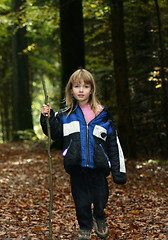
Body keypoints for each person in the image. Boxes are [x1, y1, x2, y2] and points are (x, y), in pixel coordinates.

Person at [40, 68, 126, 240]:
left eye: (85, 86)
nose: (81, 90)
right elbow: (55, 134)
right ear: (71, 89)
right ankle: (85, 227)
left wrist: (119, 172)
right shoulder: (66, 115)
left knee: (100, 199)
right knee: (81, 202)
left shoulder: (103, 116)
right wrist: (47, 118)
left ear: (91, 89)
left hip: (98, 167)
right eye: (77, 86)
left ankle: (99, 217)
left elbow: (113, 145)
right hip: (77, 166)